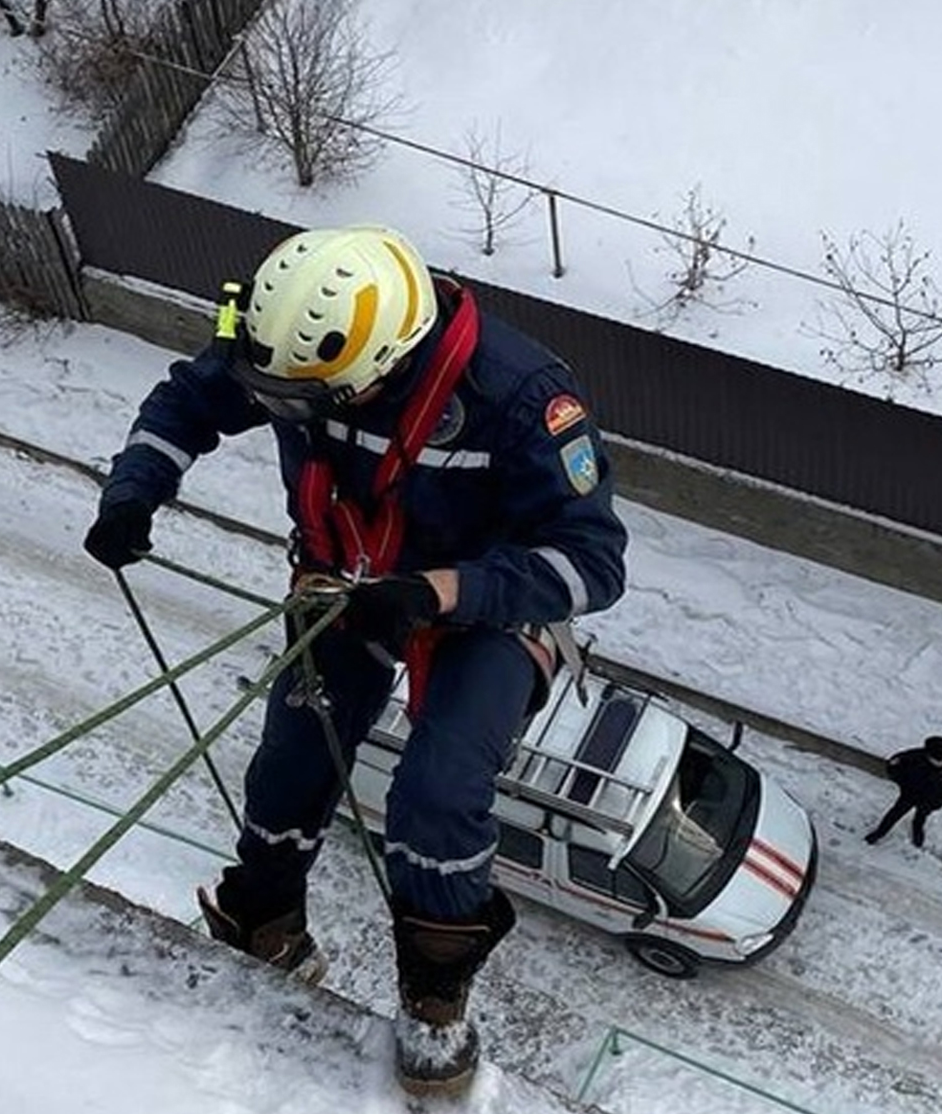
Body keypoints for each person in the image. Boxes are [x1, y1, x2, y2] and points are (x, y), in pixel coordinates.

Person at [82, 225, 628, 1095]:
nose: (289, 413)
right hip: (345, 579)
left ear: (386, 361)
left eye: (308, 402)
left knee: (437, 796)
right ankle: (264, 916)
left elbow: (592, 562)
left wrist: (438, 591)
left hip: (484, 609)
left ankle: (436, 1003)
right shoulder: (297, 354)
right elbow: (188, 402)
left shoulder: (520, 398)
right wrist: (133, 492)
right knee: (291, 760)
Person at [863, 735, 942, 848]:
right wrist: (903, 782)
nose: (940, 761)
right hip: (911, 793)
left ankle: (917, 827)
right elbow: (893, 764)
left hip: (933, 796)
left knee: (922, 814)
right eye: (936, 758)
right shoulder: (915, 757)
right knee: (895, 813)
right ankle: (880, 832)